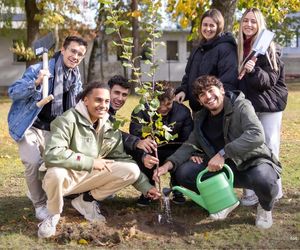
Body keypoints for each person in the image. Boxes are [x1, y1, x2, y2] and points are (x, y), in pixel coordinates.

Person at [154, 75, 281, 229]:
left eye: (210, 91)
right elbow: (189, 145)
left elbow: (256, 134)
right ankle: (225, 201)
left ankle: (265, 207)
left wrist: (223, 154)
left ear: (221, 90)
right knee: (184, 172)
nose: (208, 97)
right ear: (199, 101)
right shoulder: (201, 118)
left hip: (252, 162)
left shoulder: (241, 106)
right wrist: (167, 165)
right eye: (202, 94)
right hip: (223, 169)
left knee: (265, 180)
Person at [37, 83, 160, 238]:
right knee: (56, 173)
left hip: (88, 177)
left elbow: (121, 158)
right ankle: (53, 214)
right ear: (86, 100)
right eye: (98, 100)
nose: (103, 105)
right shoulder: (67, 120)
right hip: (65, 179)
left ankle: (86, 201)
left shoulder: (108, 125)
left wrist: (146, 187)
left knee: (131, 170)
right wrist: (91, 162)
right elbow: (52, 154)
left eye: (106, 101)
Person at [7, 36, 88, 221]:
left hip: (55, 128)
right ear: (63, 49)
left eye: (80, 55)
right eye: (73, 51)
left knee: (60, 163)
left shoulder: (75, 76)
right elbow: (13, 92)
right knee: (33, 162)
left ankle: (45, 190)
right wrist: (35, 82)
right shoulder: (39, 69)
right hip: (30, 125)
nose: (76, 57)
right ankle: (39, 205)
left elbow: (77, 101)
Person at [237, 8, 288, 206]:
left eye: (253, 21)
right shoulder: (241, 47)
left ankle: (274, 191)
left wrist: (254, 70)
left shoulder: (270, 48)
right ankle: (249, 194)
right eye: (245, 21)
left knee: (270, 146)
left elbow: (268, 81)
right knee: (249, 147)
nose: (249, 25)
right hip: (249, 105)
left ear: (260, 25)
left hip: (270, 105)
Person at [129, 82, 193, 206]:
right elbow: (135, 135)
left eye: (168, 104)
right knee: (144, 156)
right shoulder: (141, 111)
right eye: (159, 104)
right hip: (151, 150)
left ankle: (176, 188)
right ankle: (148, 189)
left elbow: (187, 139)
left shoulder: (183, 112)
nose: (163, 108)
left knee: (181, 157)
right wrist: (144, 142)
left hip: (174, 149)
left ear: (174, 98)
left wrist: (191, 153)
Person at [175, 8, 238, 113]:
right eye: (205, 25)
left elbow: (228, 81)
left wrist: (215, 105)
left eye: (212, 25)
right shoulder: (198, 49)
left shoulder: (226, 49)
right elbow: (189, 75)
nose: (208, 29)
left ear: (219, 27)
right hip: (197, 109)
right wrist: (183, 90)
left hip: (215, 110)